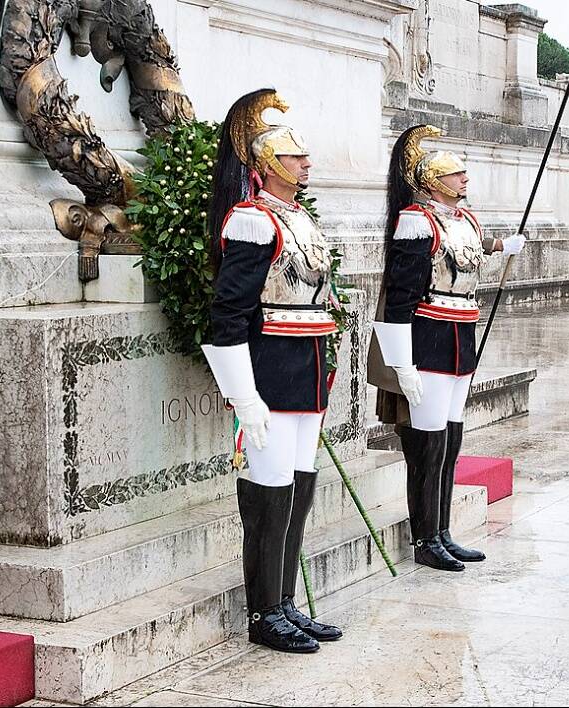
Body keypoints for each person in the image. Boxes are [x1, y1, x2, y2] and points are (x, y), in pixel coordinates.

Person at [203, 88, 344, 654]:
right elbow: (228, 315)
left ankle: (284, 600)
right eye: (294, 155)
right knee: (267, 491)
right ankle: (263, 611)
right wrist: (245, 398)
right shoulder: (252, 221)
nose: (306, 162)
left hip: (306, 372)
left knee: (298, 490)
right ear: (265, 162)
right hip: (270, 373)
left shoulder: (296, 218)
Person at [368, 124, 524, 571]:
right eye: (456, 174)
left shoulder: (464, 221)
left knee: (452, 438)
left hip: (461, 338)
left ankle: (443, 530)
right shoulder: (416, 222)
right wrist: (402, 363)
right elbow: (400, 296)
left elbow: (473, 250)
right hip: (430, 340)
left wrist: (503, 244)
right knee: (428, 443)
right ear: (435, 182)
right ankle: (425, 537)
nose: (465, 179)